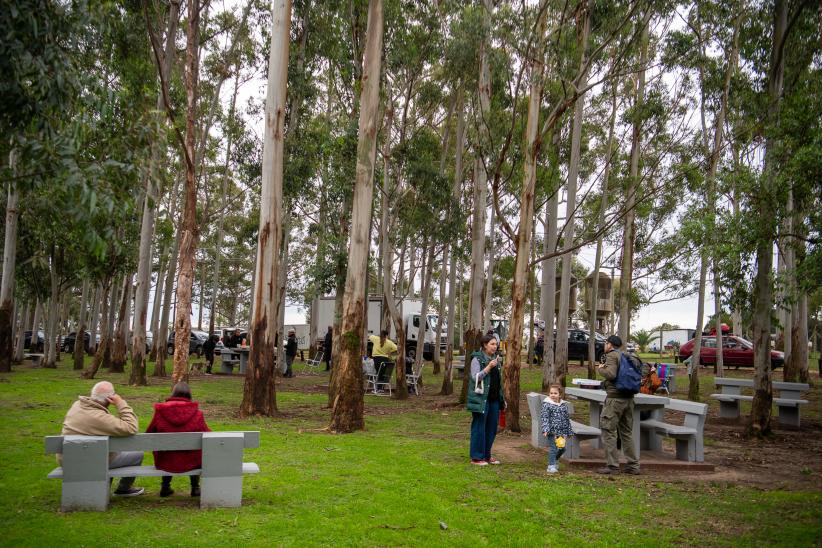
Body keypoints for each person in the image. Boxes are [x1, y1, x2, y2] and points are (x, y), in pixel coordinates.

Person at [59, 381, 144, 496]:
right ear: (110, 398)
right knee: (137, 454)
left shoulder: (77, 405)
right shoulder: (100, 418)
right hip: (91, 461)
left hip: (67, 460)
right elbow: (131, 427)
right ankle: (123, 489)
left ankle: (105, 488)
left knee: (106, 452)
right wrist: (121, 404)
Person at [146, 382, 210, 497]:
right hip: (191, 462)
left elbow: (149, 432)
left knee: (168, 452)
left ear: (173, 393)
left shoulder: (160, 411)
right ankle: (195, 487)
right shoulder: (197, 413)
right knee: (194, 453)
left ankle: (165, 486)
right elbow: (208, 434)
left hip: (165, 462)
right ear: (189, 394)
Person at [596, 335, 640, 475]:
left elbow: (611, 374)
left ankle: (613, 466)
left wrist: (601, 368)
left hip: (615, 400)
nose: (605, 345)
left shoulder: (611, 356)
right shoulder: (627, 355)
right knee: (626, 432)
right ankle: (633, 465)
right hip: (629, 399)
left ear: (610, 344)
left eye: (606, 343)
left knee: (608, 430)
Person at [467, 334, 506, 466]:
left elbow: (498, 382)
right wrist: (489, 367)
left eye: (496, 344)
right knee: (479, 428)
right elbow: (475, 378)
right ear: (484, 345)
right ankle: (477, 457)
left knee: (491, 428)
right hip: (481, 399)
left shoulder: (496, 359)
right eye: (492, 344)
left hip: (494, 399)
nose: (495, 347)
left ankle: (487, 455)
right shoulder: (477, 359)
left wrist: (502, 399)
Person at [540, 384, 573, 474]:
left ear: (560, 394)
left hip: (561, 432)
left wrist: (569, 432)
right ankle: (551, 466)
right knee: (553, 448)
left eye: (555, 393)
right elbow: (544, 417)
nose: (553, 395)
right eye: (551, 393)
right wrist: (546, 429)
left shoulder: (563, 405)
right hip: (552, 431)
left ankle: (554, 460)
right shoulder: (547, 404)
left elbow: (566, 419)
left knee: (562, 448)